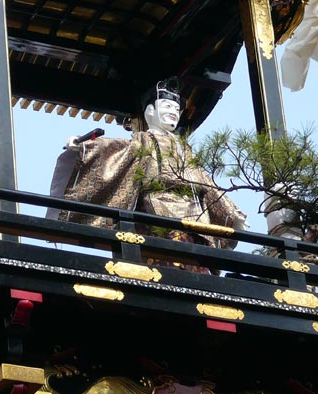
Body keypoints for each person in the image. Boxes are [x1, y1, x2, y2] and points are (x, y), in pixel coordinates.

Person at [48, 76, 248, 273]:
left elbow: (206, 182)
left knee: (197, 267)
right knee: (166, 262)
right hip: (157, 210)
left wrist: (231, 214)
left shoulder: (186, 149)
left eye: (176, 109)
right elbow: (114, 151)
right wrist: (85, 146)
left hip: (196, 218)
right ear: (150, 111)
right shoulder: (143, 141)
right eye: (167, 106)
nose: (173, 112)